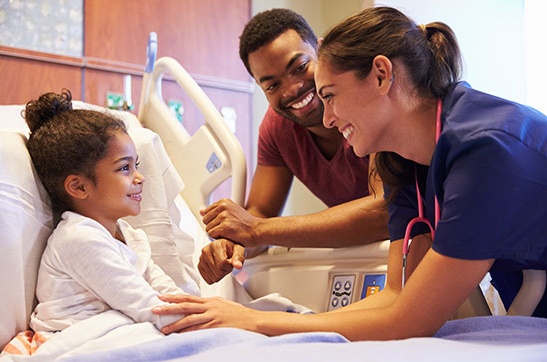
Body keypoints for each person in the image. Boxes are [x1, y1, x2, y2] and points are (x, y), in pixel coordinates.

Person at [153, 6, 547, 340]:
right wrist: (295, 323)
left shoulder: (486, 151)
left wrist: (257, 322)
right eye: (271, 84)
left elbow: (412, 318)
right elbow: (397, 295)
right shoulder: (404, 162)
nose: (324, 117)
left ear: (380, 74)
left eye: (329, 96)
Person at [198, 8, 389, 284]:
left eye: (300, 67)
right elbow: (260, 212)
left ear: (321, 51)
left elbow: (383, 211)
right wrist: (232, 243)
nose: (291, 90)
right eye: (272, 85)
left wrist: (256, 229)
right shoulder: (277, 129)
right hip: (367, 259)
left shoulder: (369, 101)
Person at [24, 90, 186, 333]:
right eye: (124, 168)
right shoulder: (78, 239)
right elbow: (151, 309)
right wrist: (220, 322)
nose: (140, 177)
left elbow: (169, 295)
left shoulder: (128, 234)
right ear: (79, 186)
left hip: (121, 332)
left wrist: (208, 310)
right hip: (81, 341)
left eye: (136, 165)